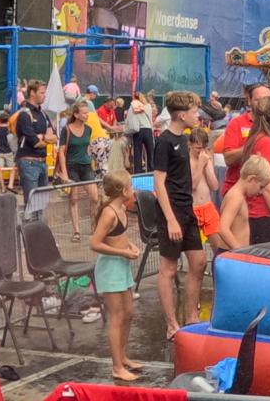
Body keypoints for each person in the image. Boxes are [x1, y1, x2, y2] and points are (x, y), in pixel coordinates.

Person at [152, 91, 211, 330]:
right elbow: (158, 182)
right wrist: (170, 219)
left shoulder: (185, 141)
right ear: (181, 114)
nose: (198, 115)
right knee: (169, 267)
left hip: (187, 209)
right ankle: (170, 323)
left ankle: (191, 317)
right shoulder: (164, 142)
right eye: (194, 111)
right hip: (172, 211)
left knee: (198, 261)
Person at [89, 171, 146, 383]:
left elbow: (119, 236)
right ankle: (116, 366)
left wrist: (129, 246)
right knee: (117, 316)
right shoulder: (109, 213)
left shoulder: (121, 208)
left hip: (122, 266)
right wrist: (123, 252)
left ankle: (123, 356)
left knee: (129, 312)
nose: (133, 189)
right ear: (123, 191)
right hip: (110, 268)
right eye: (130, 186)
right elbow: (95, 243)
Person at [235, 100, 270, 244]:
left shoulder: (256, 138)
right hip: (267, 214)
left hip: (264, 213)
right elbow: (266, 187)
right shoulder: (266, 142)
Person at [215, 156, 270, 253]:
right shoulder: (236, 197)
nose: (260, 192)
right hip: (230, 253)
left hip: (233, 251)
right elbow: (223, 228)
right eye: (261, 187)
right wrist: (240, 251)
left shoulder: (239, 196)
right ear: (251, 178)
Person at [61, 100, 99, 239]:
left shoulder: (88, 129)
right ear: (76, 115)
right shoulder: (66, 129)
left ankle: (94, 227)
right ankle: (76, 231)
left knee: (95, 197)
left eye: (87, 112)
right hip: (72, 166)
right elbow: (61, 151)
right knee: (73, 199)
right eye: (84, 113)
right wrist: (64, 173)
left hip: (86, 165)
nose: (87, 115)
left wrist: (92, 157)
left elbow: (87, 146)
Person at [12, 81, 52, 211]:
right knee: (31, 201)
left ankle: (38, 228)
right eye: (41, 92)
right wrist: (44, 138)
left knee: (42, 202)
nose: (44, 95)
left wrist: (42, 137)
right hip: (28, 162)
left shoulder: (43, 114)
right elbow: (34, 141)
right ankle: (29, 229)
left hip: (42, 162)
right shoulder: (24, 114)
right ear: (32, 93)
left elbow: (54, 136)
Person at [123, 91, 156, 173]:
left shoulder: (132, 107)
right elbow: (151, 118)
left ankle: (138, 173)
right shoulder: (148, 106)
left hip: (138, 131)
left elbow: (129, 119)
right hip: (148, 130)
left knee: (138, 153)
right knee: (150, 153)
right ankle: (151, 171)